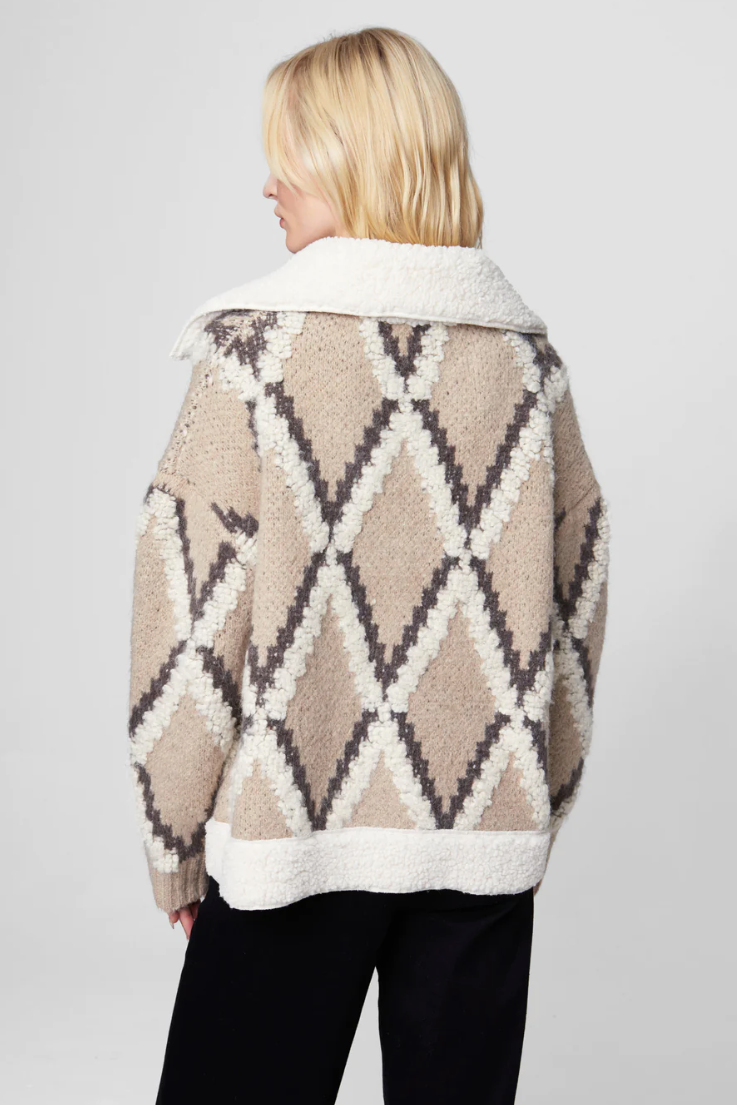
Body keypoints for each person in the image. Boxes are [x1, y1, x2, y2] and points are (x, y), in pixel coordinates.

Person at [127, 26, 610, 1105]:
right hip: (478, 852)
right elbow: (575, 603)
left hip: (293, 840)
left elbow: (187, 615)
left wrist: (175, 840)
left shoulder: (254, 355)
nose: (268, 182)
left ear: (352, 157)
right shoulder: (528, 365)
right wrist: (525, 799)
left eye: (289, 153)